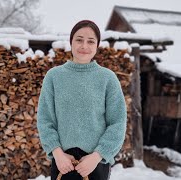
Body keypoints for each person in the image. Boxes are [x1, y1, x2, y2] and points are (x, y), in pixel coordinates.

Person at [37, 20, 127, 180]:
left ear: (97, 45)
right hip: (63, 163)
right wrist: (57, 153)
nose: (84, 46)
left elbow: (118, 123)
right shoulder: (54, 77)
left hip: (95, 164)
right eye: (79, 39)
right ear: (71, 42)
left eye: (90, 41)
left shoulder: (107, 78)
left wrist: (97, 156)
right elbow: (45, 120)